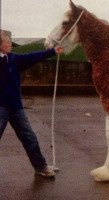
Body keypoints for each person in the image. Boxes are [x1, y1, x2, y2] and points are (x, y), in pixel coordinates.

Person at [0, 30, 63, 178]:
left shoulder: (15, 59)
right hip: (0, 107)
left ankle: (41, 167)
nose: (10, 45)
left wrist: (53, 51)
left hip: (16, 108)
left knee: (29, 137)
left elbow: (33, 57)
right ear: (0, 45)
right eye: (7, 42)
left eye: (10, 42)